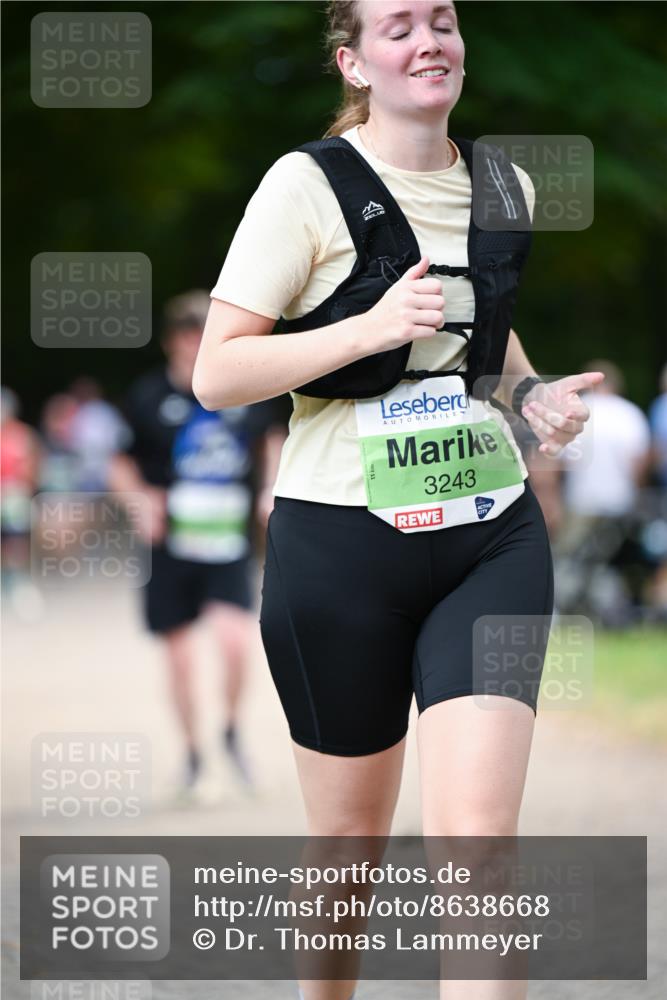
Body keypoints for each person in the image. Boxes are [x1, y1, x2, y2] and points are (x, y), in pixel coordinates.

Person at [193, 4, 600, 998]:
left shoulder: (503, 183)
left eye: (442, 22)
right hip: (339, 546)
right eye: (399, 27)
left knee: (477, 844)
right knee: (347, 848)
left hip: (488, 538)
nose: (428, 42)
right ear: (354, 62)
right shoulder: (304, 185)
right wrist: (365, 329)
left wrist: (531, 396)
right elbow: (218, 374)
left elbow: (483, 340)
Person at [110, 290, 286, 793]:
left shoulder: (241, 389)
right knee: (181, 657)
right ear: (172, 341)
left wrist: (271, 488)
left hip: (226, 544)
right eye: (187, 334)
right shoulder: (148, 396)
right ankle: (191, 752)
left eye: (203, 333)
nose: (194, 343)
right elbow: (119, 461)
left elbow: (272, 438)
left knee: (234, 642)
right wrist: (139, 500)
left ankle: (229, 730)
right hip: (170, 546)